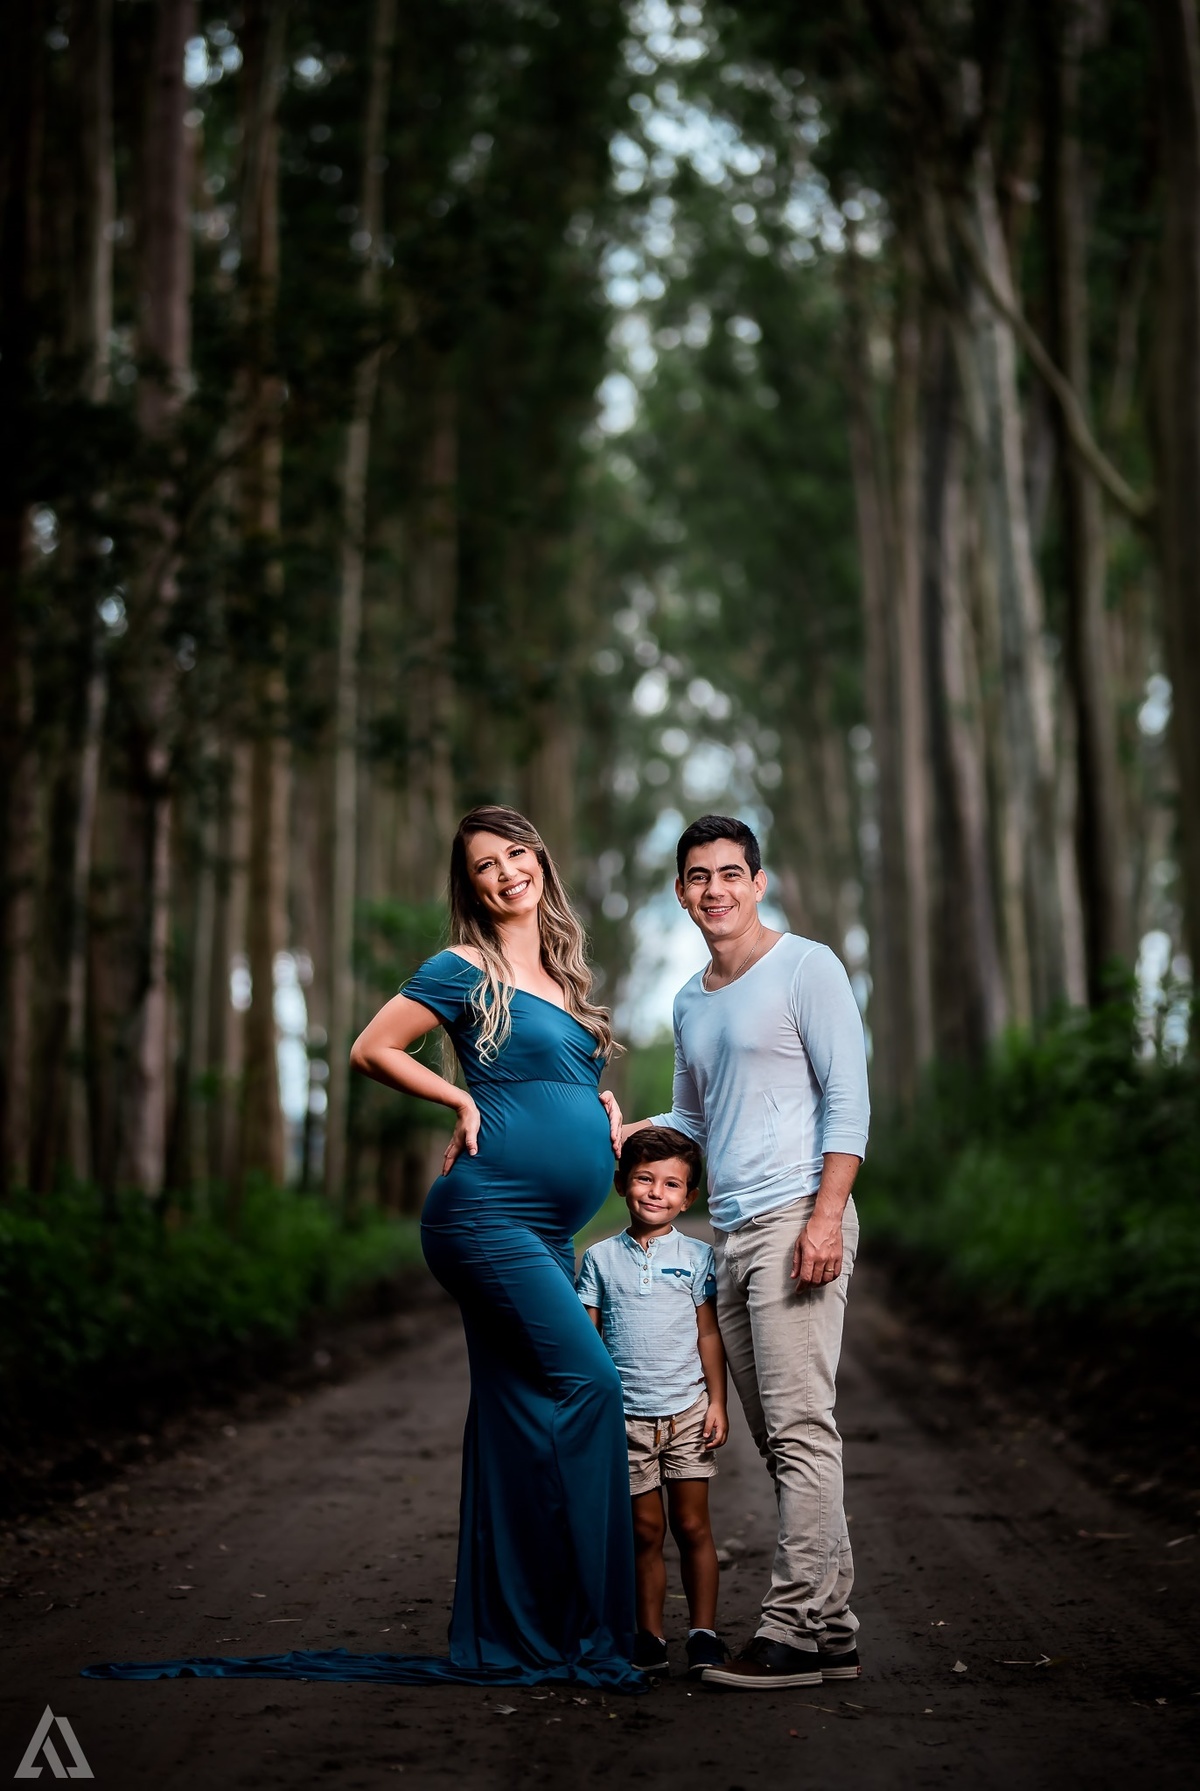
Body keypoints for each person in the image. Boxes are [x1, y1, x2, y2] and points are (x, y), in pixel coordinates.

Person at [85, 806, 643, 1693]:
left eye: (515, 855)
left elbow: (559, 1080)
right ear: (471, 885)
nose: (505, 873)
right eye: (484, 865)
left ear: (540, 859)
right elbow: (371, 1046)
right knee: (591, 1385)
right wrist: (458, 1103)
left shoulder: (570, 982)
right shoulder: (466, 968)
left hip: (544, 1229)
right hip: (485, 1217)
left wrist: (602, 1113)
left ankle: (523, 1634)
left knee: (516, 1420)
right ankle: (597, 1626)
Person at [622, 813, 870, 1691]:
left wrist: (827, 1217)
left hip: (797, 1214)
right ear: (681, 891)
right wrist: (634, 1129)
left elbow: (848, 1098)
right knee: (781, 1440)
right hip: (727, 1230)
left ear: (759, 883)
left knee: (802, 1430)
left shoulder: (808, 967)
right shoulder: (691, 998)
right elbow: (692, 1118)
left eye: (731, 873)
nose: (715, 889)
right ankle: (831, 1626)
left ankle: (797, 1627)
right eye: (698, 876)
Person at [577, 1127, 729, 1681]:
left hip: (687, 1411)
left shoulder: (697, 1256)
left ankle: (704, 1632)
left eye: (671, 1184)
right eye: (644, 1179)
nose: (655, 1192)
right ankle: (650, 1634)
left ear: (689, 1197)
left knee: (692, 1526)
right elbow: (588, 1342)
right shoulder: (597, 1259)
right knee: (644, 1532)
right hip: (627, 1419)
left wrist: (718, 1401)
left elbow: (708, 1334)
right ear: (622, 1184)